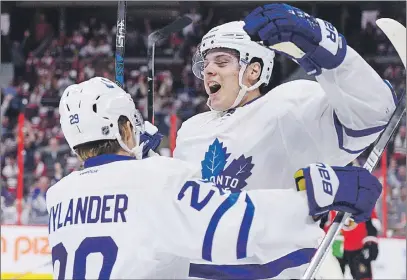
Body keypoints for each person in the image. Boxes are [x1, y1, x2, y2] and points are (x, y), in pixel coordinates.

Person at [47, 76, 382, 279]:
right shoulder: (154, 179)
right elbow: (234, 223)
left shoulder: (59, 196)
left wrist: (144, 157)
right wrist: (318, 195)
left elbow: (135, 220)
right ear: (124, 128)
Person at [172, 3, 397, 279]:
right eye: (205, 64)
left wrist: (322, 43)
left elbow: (374, 112)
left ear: (253, 72)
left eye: (220, 62)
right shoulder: (191, 131)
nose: (207, 71)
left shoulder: (288, 108)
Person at [324, 210, 380, 280]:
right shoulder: (329, 200)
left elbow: (372, 221)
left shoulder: (364, 200)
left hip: (359, 247)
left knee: (363, 277)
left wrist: (372, 242)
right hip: (336, 248)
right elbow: (321, 222)